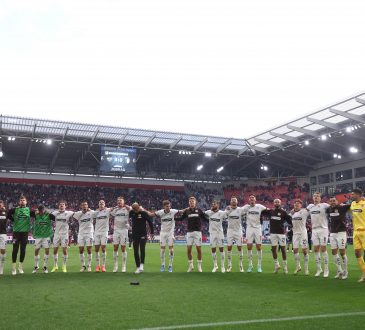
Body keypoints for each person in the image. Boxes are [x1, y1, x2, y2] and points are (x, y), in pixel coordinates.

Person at [147, 200, 179, 273]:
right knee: (162, 250)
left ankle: (170, 265)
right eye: (167, 206)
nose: (168, 207)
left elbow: (182, 211)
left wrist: (189, 208)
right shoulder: (160, 212)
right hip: (163, 233)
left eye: (169, 206)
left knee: (171, 250)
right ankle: (163, 265)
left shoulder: (173, 211)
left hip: (170, 233)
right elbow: (151, 214)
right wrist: (142, 209)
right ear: (164, 206)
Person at [8, 196, 36, 275]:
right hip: (16, 232)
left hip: (25, 233)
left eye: (24, 200)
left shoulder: (29, 210)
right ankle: (13, 268)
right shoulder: (15, 210)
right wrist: (14, 220)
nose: (22, 201)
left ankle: (20, 267)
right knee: (15, 250)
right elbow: (8, 215)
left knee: (23, 250)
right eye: (21, 200)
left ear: (26, 202)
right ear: (19, 202)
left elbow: (37, 215)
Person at [262, 199, 292, 274]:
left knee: (283, 250)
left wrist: (290, 216)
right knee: (273, 249)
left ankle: (285, 267)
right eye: (275, 202)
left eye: (278, 202)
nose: (277, 203)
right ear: (273, 203)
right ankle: (276, 265)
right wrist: (265, 208)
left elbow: (289, 221)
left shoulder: (284, 212)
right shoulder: (270, 211)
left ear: (280, 203)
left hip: (281, 234)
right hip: (272, 233)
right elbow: (261, 212)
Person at [178, 196, 207, 272]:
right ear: (189, 203)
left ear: (195, 202)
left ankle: (199, 266)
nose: (191, 203)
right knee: (188, 250)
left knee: (199, 250)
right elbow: (181, 219)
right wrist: (172, 218)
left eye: (193, 202)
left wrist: (213, 220)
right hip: (189, 233)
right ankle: (191, 266)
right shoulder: (186, 211)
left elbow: (205, 219)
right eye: (190, 202)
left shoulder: (199, 210)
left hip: (197, 232)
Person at [241, 195, 267, 273]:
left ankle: (259, 265)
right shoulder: (246, 207)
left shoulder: (260, 206)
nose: (252, 199)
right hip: (249, 228)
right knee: (249, 246)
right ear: (249, 200)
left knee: (259, 247)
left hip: (258, 228)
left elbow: (268, 210)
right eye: (250, 198)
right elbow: (238, 210)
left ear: (255, 200)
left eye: (253, 198)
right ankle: (250, 265)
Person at [326, 196, 350, 280]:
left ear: (337, 201)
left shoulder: (342, 207)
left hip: (341, 232)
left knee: (342, 252)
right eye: (331, 201)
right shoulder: (328, 209)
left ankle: (345, 271)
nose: (332, 202)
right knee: (333, 252)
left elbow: (352, 205)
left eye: (334, 201)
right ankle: (339, 270)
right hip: (332, 233)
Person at [307, 192, 330, 278]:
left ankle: (326, 269)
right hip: (314, 230)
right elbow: (303, 212)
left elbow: (334, 206)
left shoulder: (324, 205)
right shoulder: (310, 207)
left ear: (320, 198)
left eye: (318, 196)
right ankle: (319, 269)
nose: (316, 198)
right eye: (314, 196)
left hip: (323, 229)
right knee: (316, 249)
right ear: (312, 198)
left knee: (323, 249)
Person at [129, 203, 154, 274]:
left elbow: (150, 222)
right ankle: (138, 267)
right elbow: (127, 216)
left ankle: (142, 264)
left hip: (143, 234)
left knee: (142, 249)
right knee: (135, 251)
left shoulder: (143, 213)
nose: (135, 211)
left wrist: (152, 233)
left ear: (139, 207)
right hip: (135, 234)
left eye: (136, 209)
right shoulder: (132, 212)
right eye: (133, 209)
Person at [51, 201, 74, 273]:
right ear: (58, 206)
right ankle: (55, 266)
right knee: (55, 250)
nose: (61, 206)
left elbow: (77, 213)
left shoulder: (69, 213)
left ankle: (64, 266)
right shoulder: (55, 213)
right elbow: (47, 213)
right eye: (60, 205)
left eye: (63, 205)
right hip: (56, 234)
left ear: (65, 206)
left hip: (64, 235)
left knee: (64, 250)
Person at [205, 200, 227, 273]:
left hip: (220, 233)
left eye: (214, 204)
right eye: (212, 204)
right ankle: (215, 266)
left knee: (221, 249)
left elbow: (228, 214)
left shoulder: (222, 213)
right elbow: (201, 214)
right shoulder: (209, 212)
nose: (213, 205)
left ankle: (223, 266)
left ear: (218, 205)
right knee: (213, 250)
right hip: (212, 234)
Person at [32, 205, 55, 274]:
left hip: (46, 236)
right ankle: (36, 266)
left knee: (47, 250)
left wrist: (50, 212)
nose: (41, 212)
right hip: (38, 236)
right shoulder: (36, 215)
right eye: (40, 211)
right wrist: (35, 211)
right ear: (38, 210)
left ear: (44, 210)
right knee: (36, 250)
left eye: (42, 211)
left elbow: (55, 218)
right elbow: (29, 213)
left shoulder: (48, 215)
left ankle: (45, 266)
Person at [225, 196, 245, 273]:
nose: (233, 201)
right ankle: (229, 266)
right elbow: (224, 215)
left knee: (240, 248)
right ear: (230, 202)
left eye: (234, 200)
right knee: (229, 248)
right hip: (230, 231)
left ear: (237, 202)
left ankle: (241, 266)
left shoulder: (240, 210)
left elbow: (248, 211)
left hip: (238, 231)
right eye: (232, 200)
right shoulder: (227, 209)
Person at [110, 197, 131, 273]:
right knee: (115, 248)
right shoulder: (115, 210)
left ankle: (123, 266)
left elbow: (133, 210)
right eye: (118, 201)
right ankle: (115, 266)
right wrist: (112, 208)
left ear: (123, 202)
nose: (119, 202)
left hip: (124, 231)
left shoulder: (127, 209)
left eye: (120, 201)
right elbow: (109, 211)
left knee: (123, 248)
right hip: (116, 230)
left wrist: (129, 207)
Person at [73, 201, 95, 272]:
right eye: (83, 205)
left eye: (86, 205)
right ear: (81, 206)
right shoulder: (78, 213)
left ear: (87, 205)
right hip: (81, 234)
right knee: (81, 250)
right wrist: (82, 212)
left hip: (89, 233)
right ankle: (83, 266)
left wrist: (90, 210)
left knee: (89, 249)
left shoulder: (91, 212)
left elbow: (97, 213)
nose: (85, 206)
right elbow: (73, 215)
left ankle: (89, 265)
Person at [349, 188, 365, 282]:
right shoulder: (352, 204)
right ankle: (364, 272)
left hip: (364, 231)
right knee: (357, 253)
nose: (351, 196)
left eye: (353, 194)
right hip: (355, 232)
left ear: (358, 194)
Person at [290, 199, 310, 275]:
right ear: (293, 205)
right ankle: (298, 267)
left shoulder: (304, 212)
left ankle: (306, 269)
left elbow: (311, 207)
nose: (296, 205)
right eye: (295, 204)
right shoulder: (291, 214)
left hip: (303, 233)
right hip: (295, 234)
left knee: (304, 251)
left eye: (298, 204)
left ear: (301, 205)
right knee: (295, 250)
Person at [92, 200, 111, 272]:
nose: (101, 204)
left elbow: (114, 208)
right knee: (96, 249)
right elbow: (90, 214)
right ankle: (97, 265)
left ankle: (103, 266)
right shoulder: (96, 212)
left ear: (104, 204)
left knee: (103, 248)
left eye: (102, 203)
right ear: (98, 204)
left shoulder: (108, 210)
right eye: (100, 203)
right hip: (96, 232)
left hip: (104, 232)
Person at [0, 200, 7, 275]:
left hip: (3, 234)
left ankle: (1, 267)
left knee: (3, 251)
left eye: (0, 204)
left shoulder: (6, 212)